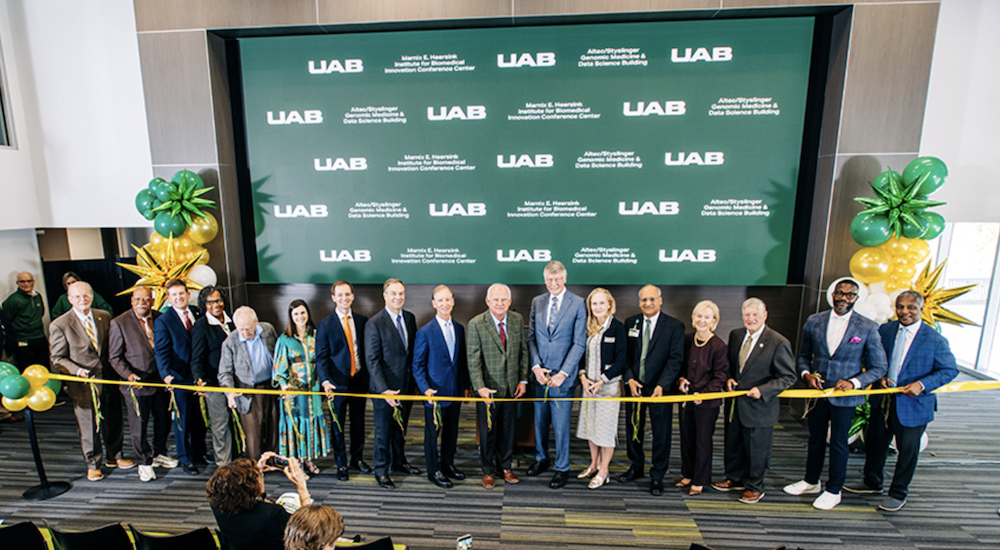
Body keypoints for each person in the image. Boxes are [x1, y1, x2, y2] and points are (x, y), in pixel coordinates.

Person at [844, 290, 958, 512]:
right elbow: (873, 359)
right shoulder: (885, 330)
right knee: (875, 443)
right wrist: (881, 376)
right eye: (900, 307)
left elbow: (949, 370)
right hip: (884, 400)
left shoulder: (934, 339)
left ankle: (898, 493)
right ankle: (872, 482)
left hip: (913, 405)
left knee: (906, 451)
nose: (904, 311)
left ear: (921, 309)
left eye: (911, 307)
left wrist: (922, 385)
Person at [784, 278, 888, 510]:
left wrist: (854, 383)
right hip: (818, 393)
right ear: (832, 295)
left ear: (856, 298)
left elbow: (879, 367)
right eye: (839, 293)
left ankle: (834, 489)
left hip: (846, 396)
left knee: (839, 442)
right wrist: (805, 374)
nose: (843, 298)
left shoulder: (868, 327)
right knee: (816, 439)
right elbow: (802, 356)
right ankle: (811, 481)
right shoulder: (814, 321)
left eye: (849, 295)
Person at [712, 298, 796, 504]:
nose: (751, 319)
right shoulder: (736, 335)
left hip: (760, 407)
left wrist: (763, 390)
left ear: (765, 315)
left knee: (757, 448)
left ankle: (755, 486)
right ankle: (734, 478)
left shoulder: (778, 342)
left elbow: (788, 377)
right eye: (747, 315)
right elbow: (733, 366)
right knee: (734, 443)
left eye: (755, 314)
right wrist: (729, 378)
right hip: (736, 404)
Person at [50, 281, 135, 480]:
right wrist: (77, 370)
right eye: (77, 296)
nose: (83, 300)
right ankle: (93, 463)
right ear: (69, 299)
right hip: (83, 384)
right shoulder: (60, 324)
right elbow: (57, 358)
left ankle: (115, 456)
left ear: (92, 296)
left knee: (113, 420)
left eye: (86, 295)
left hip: (108, 379)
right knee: (89, 425)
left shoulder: (104, 316)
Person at [618, 285, 684, 497]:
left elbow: (676, 359)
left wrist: (662, 385)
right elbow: (625, 356)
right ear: (639, 302)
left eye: (652, 299)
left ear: (660, 300)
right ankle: (636, 466)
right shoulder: (631, 322)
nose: (648, 303)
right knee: (633, 428)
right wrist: (629, 379)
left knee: (661, 432)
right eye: (644, 300)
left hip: (660, 389)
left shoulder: (674, 326)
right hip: (635, 386)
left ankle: (657, 475)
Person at [526, 260, 587, 490]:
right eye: (549, 279)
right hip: (540, 377)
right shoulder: (537, 302)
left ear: (565, 278)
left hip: (563, 379)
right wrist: (535, 367)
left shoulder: (578, 303)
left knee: (561, 427)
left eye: (557, 279)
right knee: (540, 423)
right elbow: (531, 337)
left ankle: (562, 468)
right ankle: (542, 458)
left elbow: (579, 343)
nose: (553, 283)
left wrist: (563, 373)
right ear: (545, 280)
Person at [109, 287, 177, 482]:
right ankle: (144, 461)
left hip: (160, 381)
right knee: (139, 425)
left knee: (163, 420)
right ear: (132, 301)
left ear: (152, 301)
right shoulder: (119, 323)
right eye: (138, 299)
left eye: (146, 299)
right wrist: (128, 374)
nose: (142, 303)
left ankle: (159, 453)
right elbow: (114, 357)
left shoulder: (160, 318)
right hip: (136, 384)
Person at [466, 283, 528, 489]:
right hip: (488, 391)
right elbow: (473, 360)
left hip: (512, 388)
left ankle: (506, 467)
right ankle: (488, 470)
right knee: (487, 432)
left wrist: (523, 379)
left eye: (504, 300)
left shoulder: (517, 320)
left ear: (509, 302)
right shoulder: (476, 324)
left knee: (508, 430)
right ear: (487, 301)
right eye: (496, 300)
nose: (500, 303)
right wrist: (479, 387)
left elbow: (523, 352)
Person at [412, 284, 470, 489]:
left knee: (452, 432)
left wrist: (464, 387)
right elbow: (417, 365)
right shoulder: (425, 332)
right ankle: (433, 470)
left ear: (453, 301)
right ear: (434, 303)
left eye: (448, 300)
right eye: (440, 300)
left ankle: (447, 464)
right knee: (432, 435)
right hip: (434, 393)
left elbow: (460, 362)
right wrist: (425, 388)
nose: (445, 304)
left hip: (454, 393)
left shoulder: (459, 328)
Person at [364, 278, 419, 489]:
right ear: (385, 296)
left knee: (400, 428)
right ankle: (381, 470)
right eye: (393, 293)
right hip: (384, 389)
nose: (398, 297)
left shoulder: (410, 318)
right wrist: (384, 390)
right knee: (382, 431)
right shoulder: (374, 323)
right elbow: (372, 360)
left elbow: (409, 354)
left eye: (401, 293)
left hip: (405, 387)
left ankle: (399, 462)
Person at [316, 280, 370, 480]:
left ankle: (357, 458)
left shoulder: (363, 320)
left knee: (358, 423)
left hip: (358, 381)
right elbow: (321, 357)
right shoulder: (325, 324)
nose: (344, 298)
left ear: (353, 296)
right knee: (337, 425)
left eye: (347, 294)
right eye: (340, 295)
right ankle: (341, 464)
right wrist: (325, 381)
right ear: (333, 298)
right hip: (336, 384)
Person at [154, 278, 208, 475]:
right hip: (178, 376)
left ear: (187, 294)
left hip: (198, 375)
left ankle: (200, 452)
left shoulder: (196, 312)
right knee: (182, 420)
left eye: (181, 293)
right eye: (174, 295)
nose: (178, 298)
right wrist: (166, 375)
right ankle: (186, 459)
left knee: (199, 418)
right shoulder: (163, 321)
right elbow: (160, 351)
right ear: (169, 298)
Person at [575, 288, 626, 489]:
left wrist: (601, 381)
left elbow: (621, 360)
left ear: (609, 305)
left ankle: (604, 470)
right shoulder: (587, 327)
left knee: (605, 431)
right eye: (594, 304)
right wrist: (583, 377)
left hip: (608, 388)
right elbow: (580, 355)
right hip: (588, 387)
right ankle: (594, 464)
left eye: (601, 303)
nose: (597, 307)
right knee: (591, 428)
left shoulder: (617, 327)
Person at [208, 453, 313, 550]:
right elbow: (306, 531)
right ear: (253, 487)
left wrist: (256, 471)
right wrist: (301, 487)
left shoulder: (217, 505)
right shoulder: (272, 514)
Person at [676, 300, 728, 496]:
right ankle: (688, 474)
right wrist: (681, 379)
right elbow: (680, 365)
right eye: (699, 316)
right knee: (686, 437)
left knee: (702, 441)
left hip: (708, 403)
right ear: (693, 318)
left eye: (707, 317)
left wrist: (703, 395)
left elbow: (720, 376)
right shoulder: (687, 339)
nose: (702, 320)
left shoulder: (719, 346)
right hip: (687, 399)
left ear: (714, 321)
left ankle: (700, 479)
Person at [273, 299, 330, 475]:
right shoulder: (285, 339)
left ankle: (308, 459)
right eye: (296, 313)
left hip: (313, 391)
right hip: (294, 393)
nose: (300, 317)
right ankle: (296, 464)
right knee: (296, 425)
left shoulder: (316, 335)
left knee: (311, 423)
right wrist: (283, 386)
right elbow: (278, 369)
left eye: (303, 313)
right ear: (291, 316)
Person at [219, 306, 280, 461]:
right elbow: (224, 373)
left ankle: (273, 460)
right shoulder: (230, 342)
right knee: (253, 434)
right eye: (241, 330)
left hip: (271, 386)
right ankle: (255, 465)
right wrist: (230, 392)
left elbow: (279, 355)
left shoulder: (268, 330)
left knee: (274, 425)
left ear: (256, 322)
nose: (245, 333)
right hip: (247, 391)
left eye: (249, 329)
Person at [191, 285, 236, 466]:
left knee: (236, 423)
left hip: (235, 382)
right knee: (220, 426)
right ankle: (223, 465)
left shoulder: (232, 321)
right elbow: (196, 358)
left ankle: (237, 461)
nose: (215, 305)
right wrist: (199, 380)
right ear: (204, 305)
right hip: (214, 383)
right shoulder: (201, 326)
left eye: (217, 300)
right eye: (209, 302)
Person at [3, 271, 49, 371]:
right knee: (26, 369)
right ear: (17, 283)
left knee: (44, 366)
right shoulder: (12, 301)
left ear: (33, 281)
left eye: (29, 281)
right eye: (22, 281)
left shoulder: (37, 296)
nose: (26, 284)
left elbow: (41, 313)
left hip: (39, 337)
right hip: (23, 340)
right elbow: (7, 321)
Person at [50, 271, 114, 319]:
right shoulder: (63, 299)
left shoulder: (90, 294)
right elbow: (55, 314)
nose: (72, 285)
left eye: (73, 282)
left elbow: (107, 310)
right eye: (68, 283)